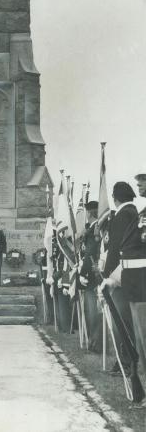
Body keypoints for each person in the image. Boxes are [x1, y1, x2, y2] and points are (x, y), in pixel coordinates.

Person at [102, 173, 146, 406]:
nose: (139, 185)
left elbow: (121, 251)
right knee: (136, 335)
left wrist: (110, 275)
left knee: (131, 331)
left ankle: (130, 368)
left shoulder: (127, 215)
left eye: (143, 181)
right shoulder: (138, 214)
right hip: (130, 280)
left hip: (137, 283)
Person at [102, 182, 137, 375]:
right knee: (126, 321)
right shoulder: (133, 213)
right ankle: (125, 360)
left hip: (120, 275)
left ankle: (125, 362)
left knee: (120, 322)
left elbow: (115, 249)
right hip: (130, 275)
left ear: (115, 198)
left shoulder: (122, 215)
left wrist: (108, 275)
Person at [79, 201, 102, 352]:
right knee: (94, 310)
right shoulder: (94, 228)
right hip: (94, 272)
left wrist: (82, 273)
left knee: (93, 310)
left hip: (92, 274)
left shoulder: (95, 229)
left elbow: (90, 254)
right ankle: (95, 342)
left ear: (89, 213)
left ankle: (96, 344)